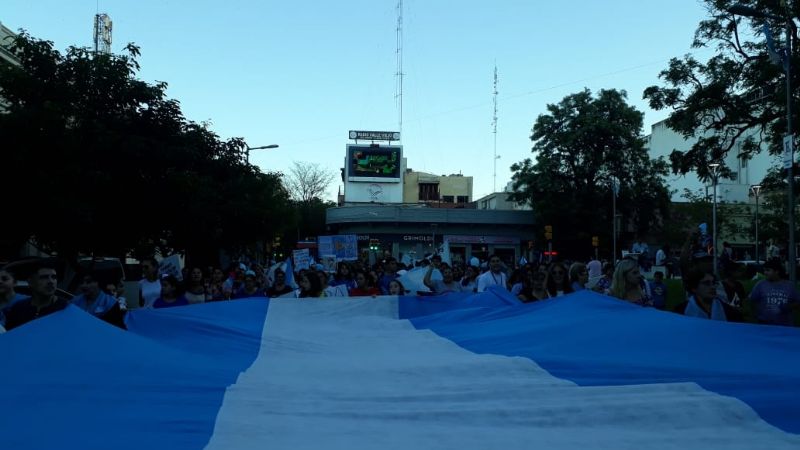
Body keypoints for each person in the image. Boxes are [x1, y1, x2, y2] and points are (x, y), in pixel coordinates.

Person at [4, 261, 69, 331]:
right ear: (30, 282)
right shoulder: (18, 308)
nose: (51, 281)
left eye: (54, 277)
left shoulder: (65, 308)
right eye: (44, 277)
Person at [673, 269, 743, 322]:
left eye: (714, 283)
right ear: (694, 288)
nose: (712, 287)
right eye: (706, 283)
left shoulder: (728, 311)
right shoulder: (681, 311)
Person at [749, 259, 800, 326]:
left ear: (777, 271)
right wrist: (755, 315)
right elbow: (752, 300)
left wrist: (786, 307)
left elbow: (798, 302)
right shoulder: (760, 284)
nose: (765, 272)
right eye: (764, 270)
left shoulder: (789, 286)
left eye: (768, 270)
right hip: (764, 323)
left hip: (785, 324)